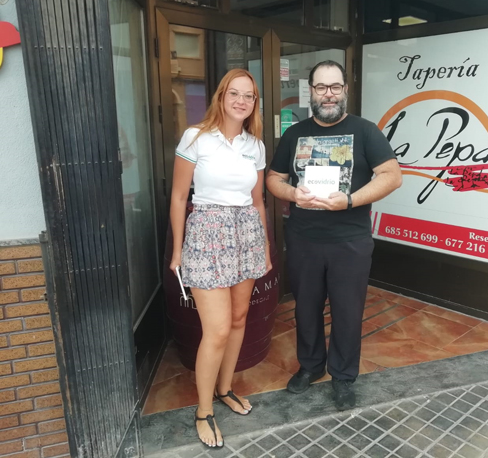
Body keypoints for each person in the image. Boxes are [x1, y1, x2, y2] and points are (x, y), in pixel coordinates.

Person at [266, 60, 402, 411]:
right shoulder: (294, 135)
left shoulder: (365, 131)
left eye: (335, 87)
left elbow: (392, 176)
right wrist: (292, 193)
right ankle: (311, 366)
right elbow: (273, 179)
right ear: (310, 91)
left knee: (347, 310)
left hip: (350, 240)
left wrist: (351, 200)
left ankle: (343, 375)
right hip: (303, 238)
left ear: (345, 90)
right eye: (321, 87)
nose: (329, 94)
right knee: (306, 307)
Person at [169, 69, 272, 448]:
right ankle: (203, 410)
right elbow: (179, 197)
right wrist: (178, 251)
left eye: (249, 95)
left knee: (240, 318)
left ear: (254, 103)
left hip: (246, 234)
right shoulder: (196, 137)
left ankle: (225, 388)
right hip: (207, 235)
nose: (241, 101)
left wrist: (264, 248)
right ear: (221, 96)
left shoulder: (255, 146)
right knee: (216, 330)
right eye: (234, 93)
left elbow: (258, 202)